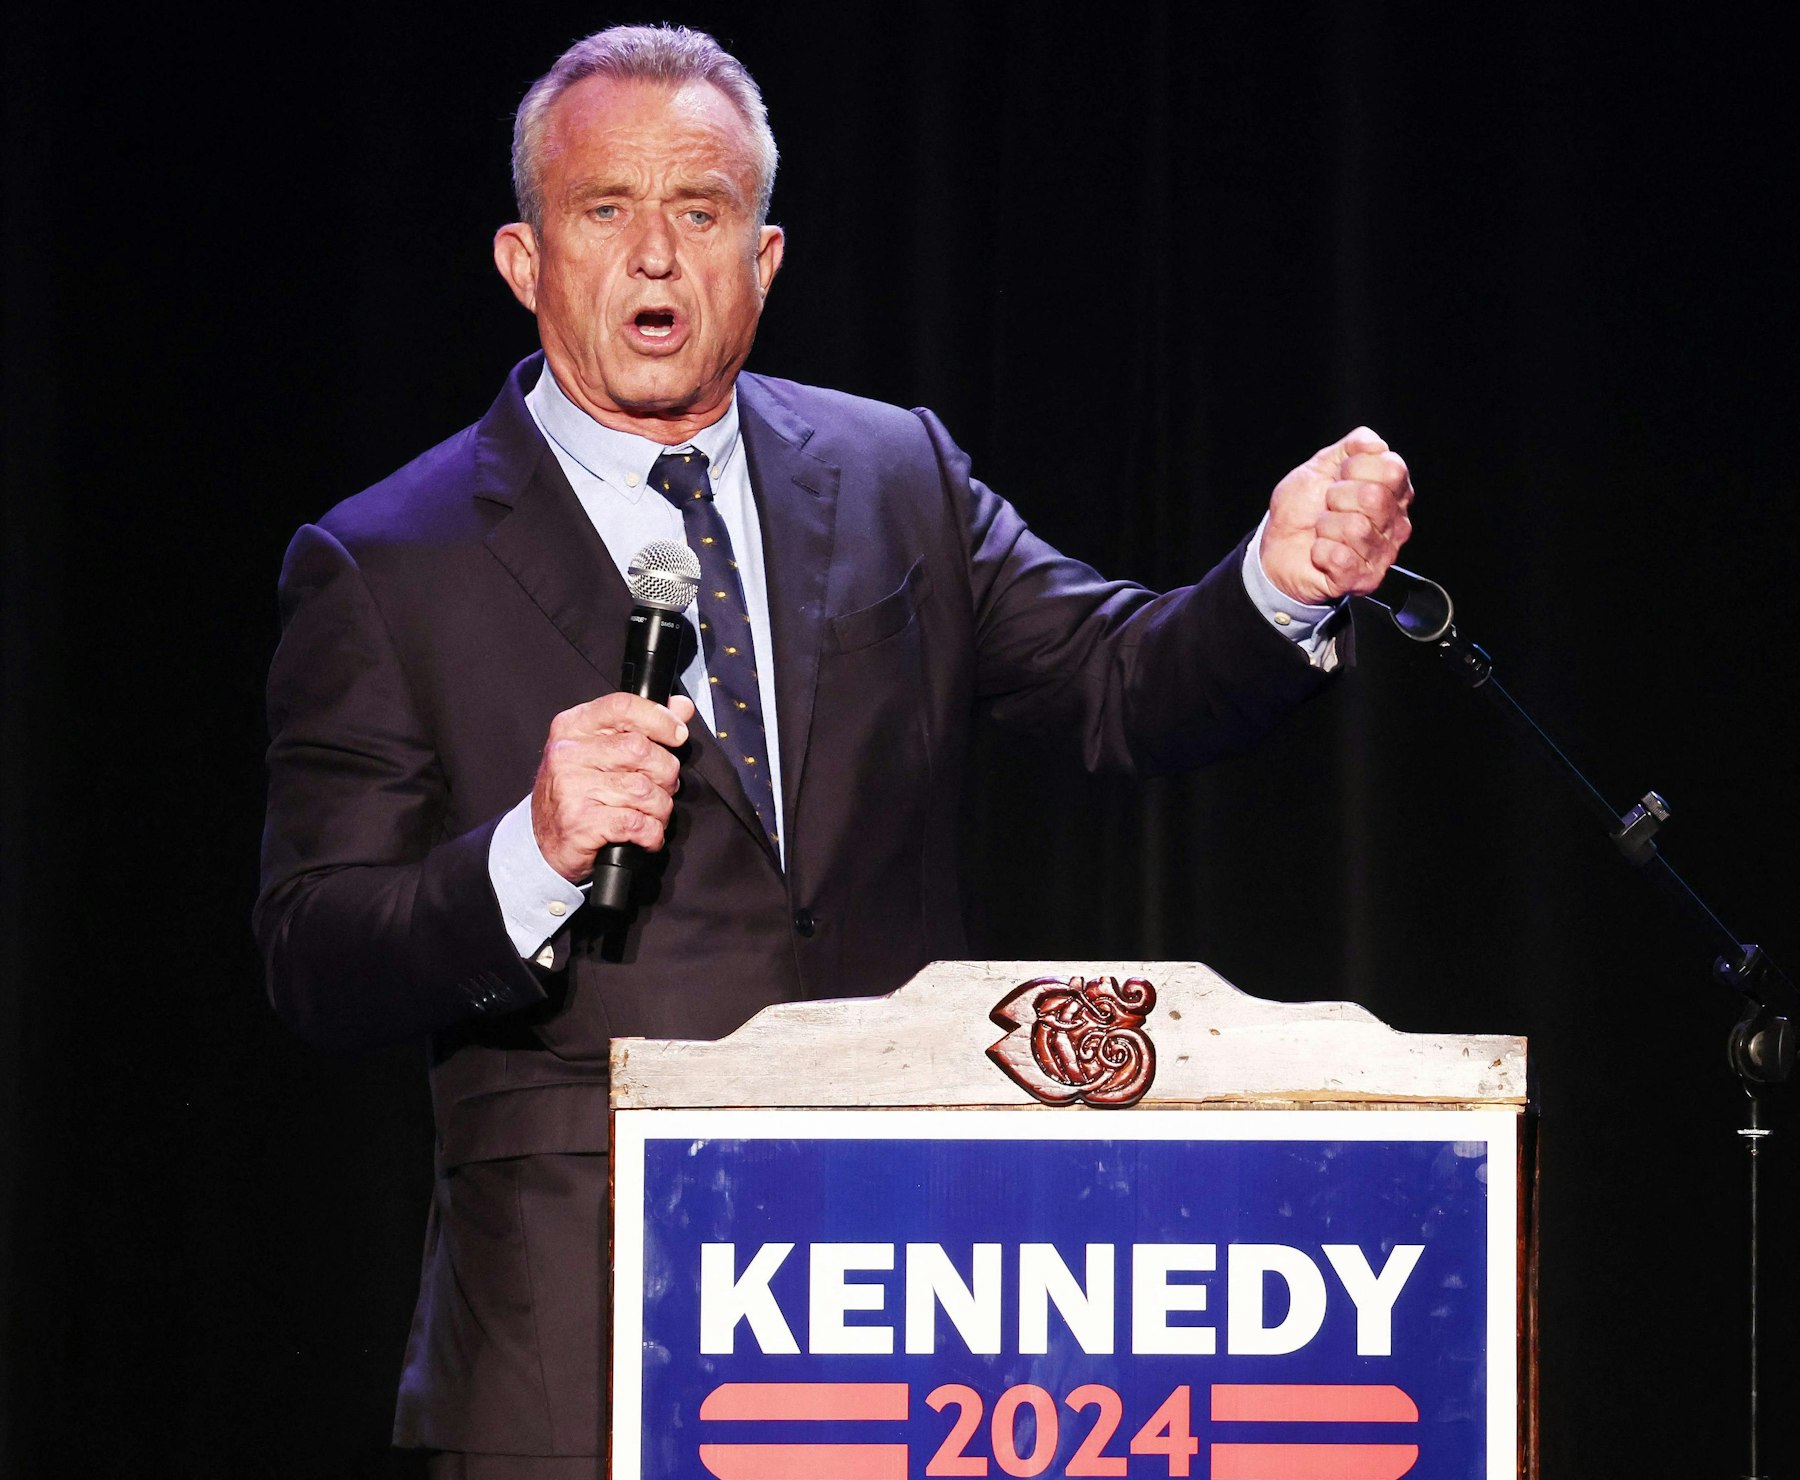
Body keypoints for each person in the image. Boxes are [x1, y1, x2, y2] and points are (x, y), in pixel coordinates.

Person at [256, 23, 1414, 1478]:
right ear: (523, 258)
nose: (657, 258)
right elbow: (314, 949)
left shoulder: (892, 474)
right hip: (585, 1316)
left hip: (897, 1287)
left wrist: (1275, 586)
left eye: (700, 211)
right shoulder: (388, 559)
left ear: (766, 255)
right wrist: (527, 859)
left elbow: (1121, 682)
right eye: (604, 211)